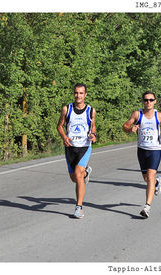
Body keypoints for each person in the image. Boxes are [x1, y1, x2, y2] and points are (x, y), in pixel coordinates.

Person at [122, 91, 161, 218]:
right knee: (147, 179)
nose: (148, 102)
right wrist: (129, 129)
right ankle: (157, 182)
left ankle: (147, 207)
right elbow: (125, 126)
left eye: (151, 100)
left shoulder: (158, 115)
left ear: (155, 101)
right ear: (143, 101)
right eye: (146, 100)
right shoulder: (138, 114)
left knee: (150, 175)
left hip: (155, 150)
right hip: (142, 150)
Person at [57, 83, 97, 219]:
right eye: (76, 93)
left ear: (85, 95)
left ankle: (78, 208)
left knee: (78, 175)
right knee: (74, 178)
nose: (78, 95)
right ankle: (86, 173)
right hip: (70, 147)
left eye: (81, 93)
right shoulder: (66, 109)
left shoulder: (91, 111)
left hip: (84, 147)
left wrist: (94, 135)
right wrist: (64, 136)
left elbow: (93, 127)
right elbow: (59, 126)